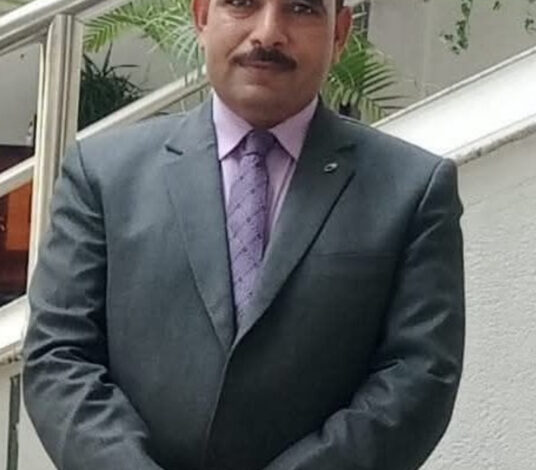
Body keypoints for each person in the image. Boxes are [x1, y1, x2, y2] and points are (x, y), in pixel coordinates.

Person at [23, 0, 465, 469]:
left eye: (301, 8)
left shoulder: (412, 190)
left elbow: (419, 376)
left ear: (339, 35)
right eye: (241, 3)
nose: (268, 33)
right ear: (201, 17)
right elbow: (60, 355)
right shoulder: (103, 175)